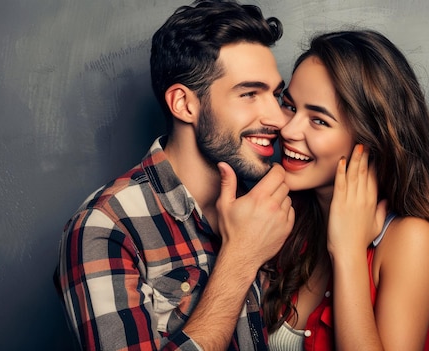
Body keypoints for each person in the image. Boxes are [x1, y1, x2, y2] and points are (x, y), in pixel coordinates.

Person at [55, 1, 294, 350]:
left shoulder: (272, 208)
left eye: (276, 95)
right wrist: (240, 258)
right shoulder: (105, 227)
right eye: (249, 95)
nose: (279, 118)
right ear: (184, 104)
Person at [263, 30, 429, 350]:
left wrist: (347, 253)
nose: (288, 130)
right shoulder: (283, 215)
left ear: (370, 138)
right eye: (290, 106)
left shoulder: (411, 238)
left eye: (318, 120)